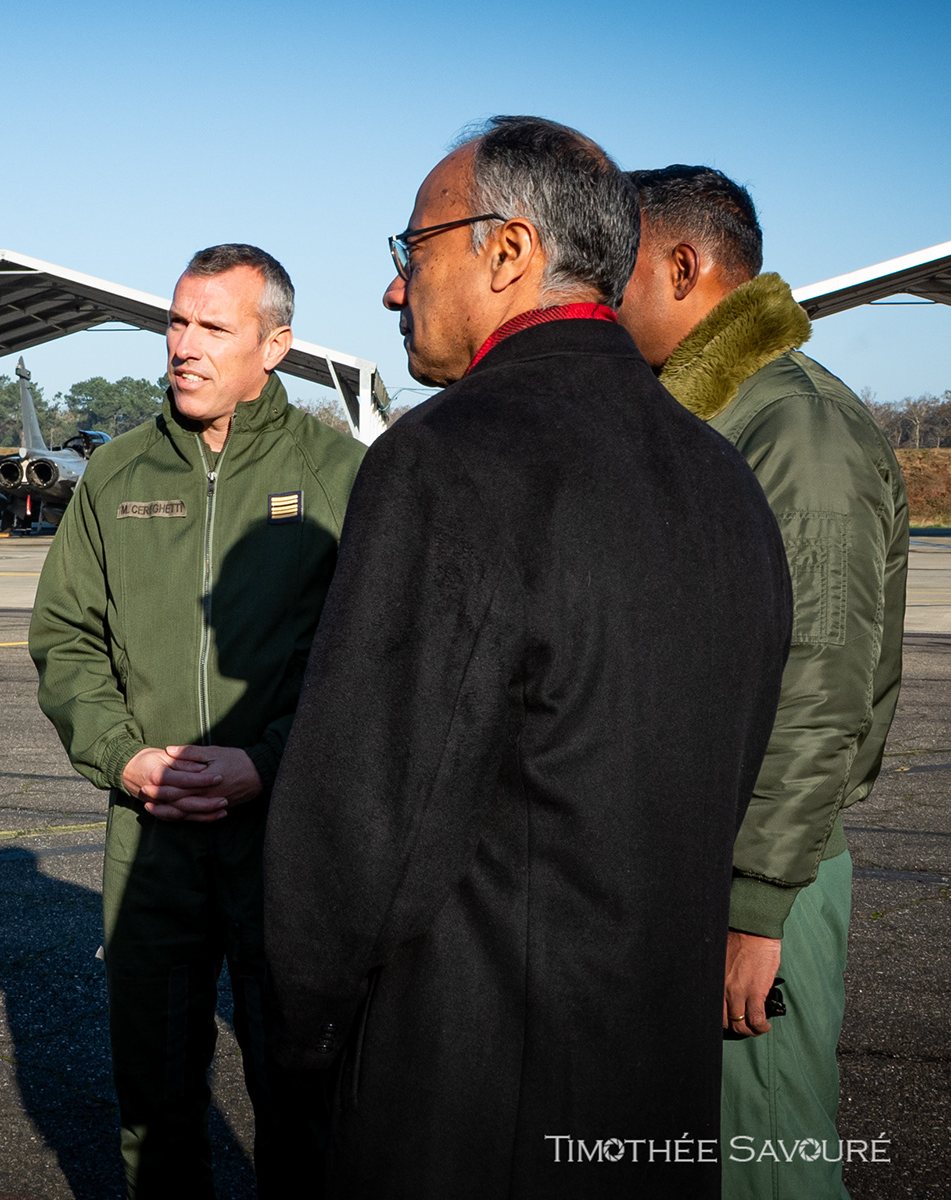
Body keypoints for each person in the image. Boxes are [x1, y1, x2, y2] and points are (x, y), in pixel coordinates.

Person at [262, 117, 794, 1198]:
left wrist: (302, 1034)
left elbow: (364, 822)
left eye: (411, 251)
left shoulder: (448, 460)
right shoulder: (721, 477)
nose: (394, 291)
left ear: (506, 251)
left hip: (470, 1100)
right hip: (654, 1093)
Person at [29, 244, 365, 1196]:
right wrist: (123, 757)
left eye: (214, 327)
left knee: (304, 1098)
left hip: (290, 838)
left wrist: (271, 760)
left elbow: (364, 663)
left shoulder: (342, 475)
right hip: (152, 835)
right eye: (177, 323)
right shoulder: (116, 475)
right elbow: (65, 636)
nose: (184, 346)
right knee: (155, 1102)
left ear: (276, 346)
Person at [617, 165, 907, 1199]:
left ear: (687, 267)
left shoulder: (795, 429)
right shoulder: (704, 417)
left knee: (760, 1162)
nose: (598, 294)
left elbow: (818, 683)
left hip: (750, 870)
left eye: (620, 267)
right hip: (690, 860)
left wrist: (756, 909)